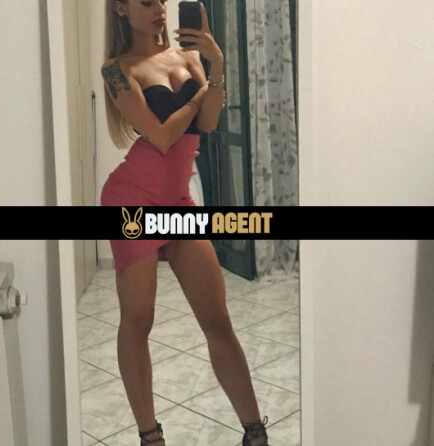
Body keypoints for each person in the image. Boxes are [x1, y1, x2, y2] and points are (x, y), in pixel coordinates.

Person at [100, 1, 270, 445]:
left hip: (177, 199)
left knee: (217, 319)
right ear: (121, 9)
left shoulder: (189, 56)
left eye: (161, 0)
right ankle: (150, 436)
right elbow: (161, 136)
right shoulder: (117, 69)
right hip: (131, 200)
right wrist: (199, 93)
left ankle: (255, 432)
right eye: (146, 1)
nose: (159, 8)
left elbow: (208, 123)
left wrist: (217, 64)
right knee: (139, 319)